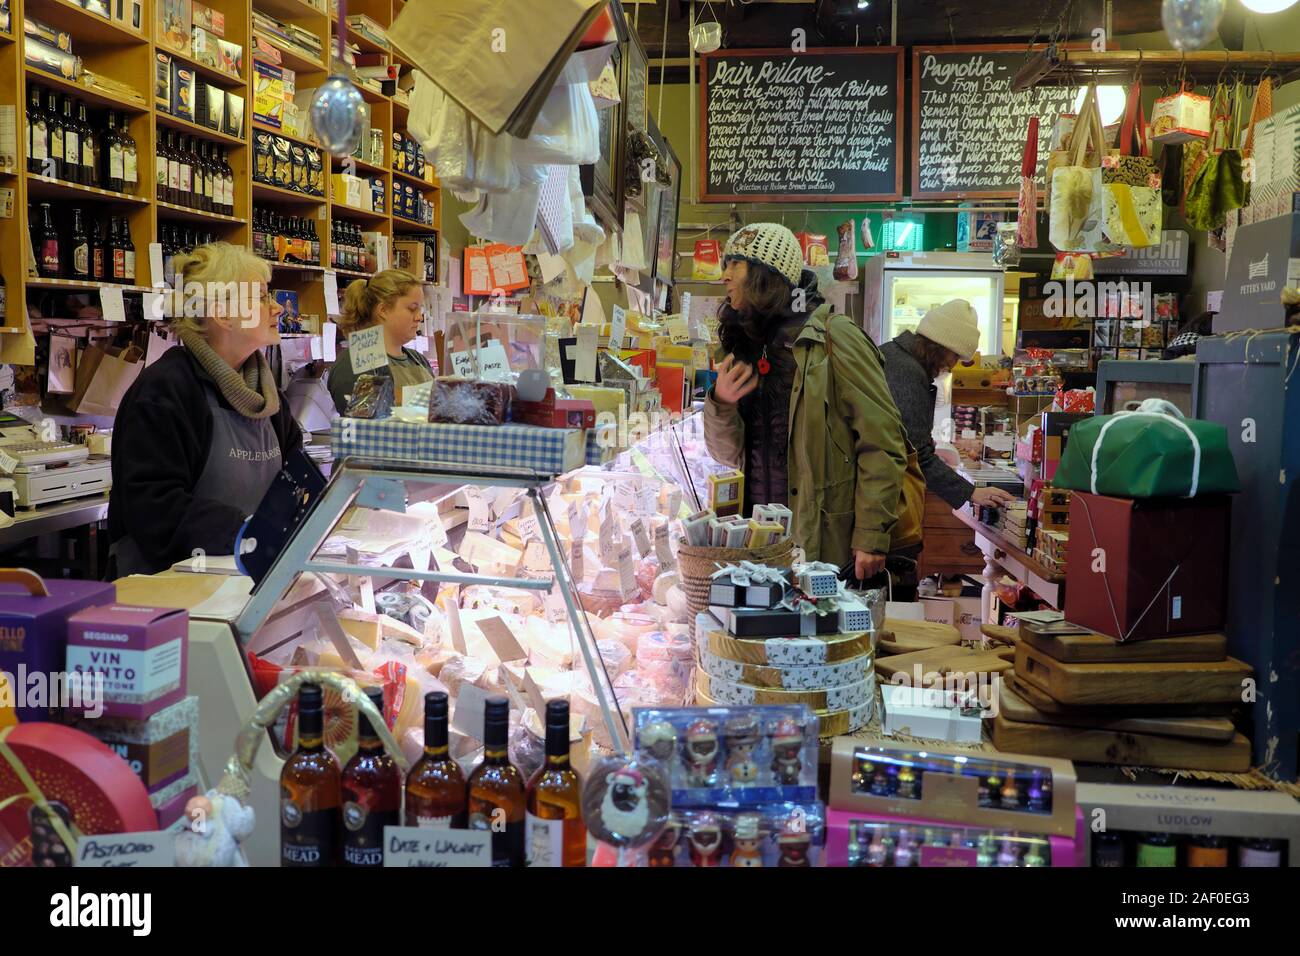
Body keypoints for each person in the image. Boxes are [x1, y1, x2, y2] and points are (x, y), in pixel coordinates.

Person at [704, 222, 917, 581]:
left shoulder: (835, 338)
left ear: (765, 273)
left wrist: (871, 536)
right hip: (758, 541)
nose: (723, 275)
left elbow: (882, 443)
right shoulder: (746, 345)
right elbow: (728, 455)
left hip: (824, 543)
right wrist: (721, 403)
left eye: (735, 264)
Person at [108, 243, 302, 577]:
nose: (277, 308)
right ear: (222, 314)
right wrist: (243, 531)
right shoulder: (165, 391)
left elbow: (294, 475)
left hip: (243, 577)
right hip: (165, 593)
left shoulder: (266, 393)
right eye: (261, 297)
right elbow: (155, 505)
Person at [880, 299, 1015, 512]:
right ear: (940, 346)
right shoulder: (907, 372)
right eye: (955, 356)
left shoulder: (893, 355)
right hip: (878, 496)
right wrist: (970, 492)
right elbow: (914, 452)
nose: (952, 366)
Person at [328, 269, 432, 414]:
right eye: (412, 309)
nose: (419, 317)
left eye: (420, 309)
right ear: (383, 310)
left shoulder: (419, 360)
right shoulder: (356, 361)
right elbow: (364, 419)